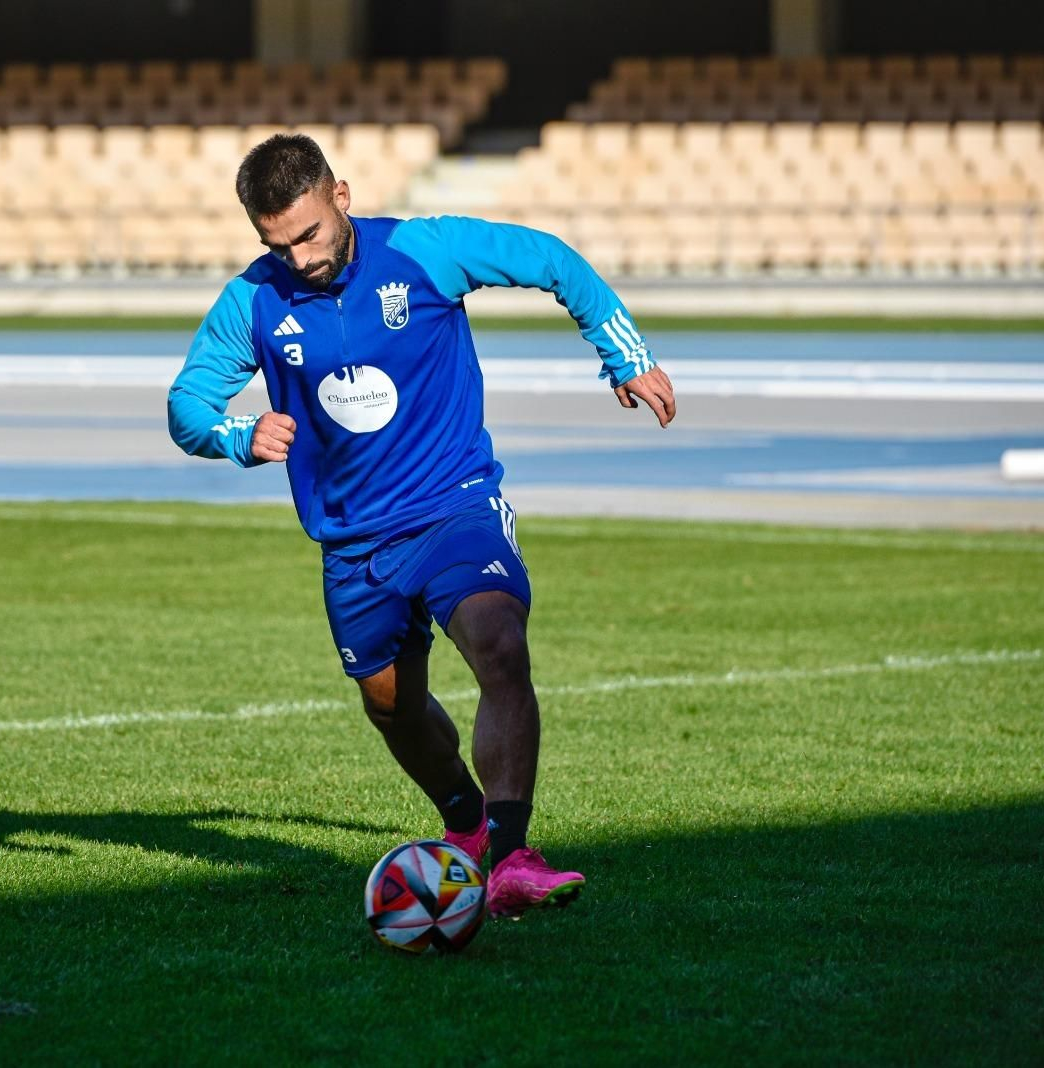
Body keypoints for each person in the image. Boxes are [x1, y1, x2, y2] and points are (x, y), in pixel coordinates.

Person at [168, 134, 675, 919]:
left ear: (340, 195)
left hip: (453, 505)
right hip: (354, 543)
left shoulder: (425, 250)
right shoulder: (254, 300)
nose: (298, 258)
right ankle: (467, 827)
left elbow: (548, 258)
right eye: (277, 243)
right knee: (391, 706)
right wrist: (236, 437)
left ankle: (511, 855)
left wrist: (622, 351)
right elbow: (187, 405)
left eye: (308, 235)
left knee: (498, 644)